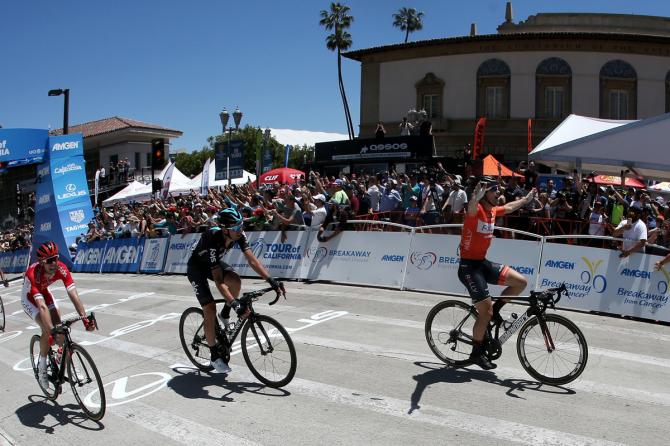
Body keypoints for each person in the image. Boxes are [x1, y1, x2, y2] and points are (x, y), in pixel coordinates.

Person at [186, 208, 284, 374]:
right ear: (225, 229)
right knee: (209, 309)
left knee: (235, 280)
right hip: (197, 268)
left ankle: (224, 315)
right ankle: (214, 355)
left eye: (242, 226)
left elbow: (252, 260)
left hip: (212, 264)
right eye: (237, 228)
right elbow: (218, 281)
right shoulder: (212, 239)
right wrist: (234, 303)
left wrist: (272, 280)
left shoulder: (238, 234)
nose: (241, 230)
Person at [458, 177, 537, 370]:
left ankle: (494, 312)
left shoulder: (493, 211)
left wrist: (525, 200)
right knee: (485, 313)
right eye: (495, 191)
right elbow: (471, 207)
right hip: (469, 267)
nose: (499, 194)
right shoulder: (476, 211)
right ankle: (476, 354)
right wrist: (474, 198)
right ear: (485, 194)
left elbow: (509, 207)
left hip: (482, 263)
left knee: (521, 282)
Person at [21, 242, 96, 388]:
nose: (54, 263)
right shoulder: (33, 274)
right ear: (42, 262)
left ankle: (67, 361)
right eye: (50, 261)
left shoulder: (61, 268)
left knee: (60, 329)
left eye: (55, 258)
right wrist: (50, 330)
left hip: (45, 294)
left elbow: (73, 294)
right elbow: (41, 307)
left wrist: (85, 319)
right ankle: (42, 367)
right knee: (47, 330)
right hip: (30, 299)